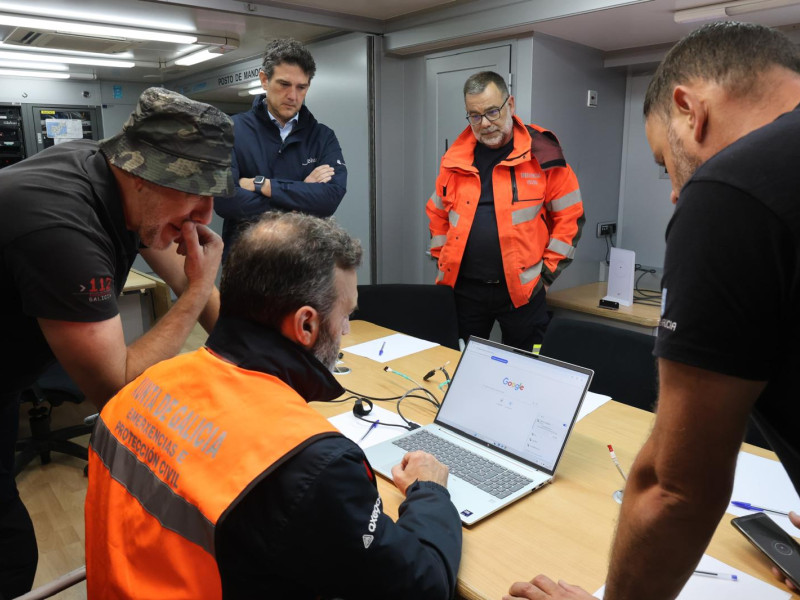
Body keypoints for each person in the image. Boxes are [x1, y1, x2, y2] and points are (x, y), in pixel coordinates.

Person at [504, 21, 800, 600]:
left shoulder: (732, 187)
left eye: (667, 165)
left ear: (689, 110)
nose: (672, 193)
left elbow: (675, 487)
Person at [84, 211, 462, 599]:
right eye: (346, 315)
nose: (347, 330)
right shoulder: (315, 466)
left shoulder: (141, 388)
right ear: (305, 326)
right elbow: (425, 586)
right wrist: (429, 491)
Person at [0, 87, 231, 599]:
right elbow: (116, 386)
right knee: (9, 557)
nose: (205, 215)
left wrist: (261, 357)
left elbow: (190, 274)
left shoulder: (125, 186)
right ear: (139, 172)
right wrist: (194, 292)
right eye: (194, 191)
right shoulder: (60, 222)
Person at [426, 70, 584, 351]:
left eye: (492, 112)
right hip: (464, 291)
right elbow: (437, 214)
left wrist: (545, 277)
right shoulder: (454, 160)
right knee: (460, 367)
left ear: (510, 105)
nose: (485, 123)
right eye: (475, 115)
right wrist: (442, 262)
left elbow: (570, 219)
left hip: (522, 292)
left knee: (525, 374)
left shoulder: (543, 154)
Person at [214, 38, 347, 256]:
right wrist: (300, 194)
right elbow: (226, 202)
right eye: (284, 84)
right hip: (247, 263)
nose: (293, 96)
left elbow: (330, 198)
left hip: (306, 263)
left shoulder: (322, 136)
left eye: (301, 87)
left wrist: (262, 185)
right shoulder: (230, 130)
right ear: (264, 80)